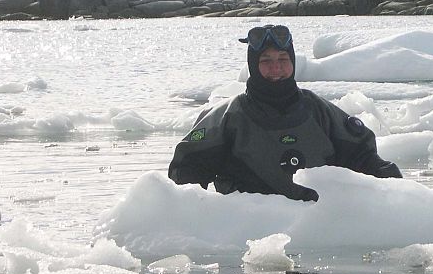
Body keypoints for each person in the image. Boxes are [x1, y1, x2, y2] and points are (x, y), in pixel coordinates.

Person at [168, 24, 402, 201]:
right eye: (266, 60)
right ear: (253, 65)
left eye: (283, 58)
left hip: (314, 224)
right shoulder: (227, 117)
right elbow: (186, 170)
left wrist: (396, 189)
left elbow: (362, 156)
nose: (276, 67)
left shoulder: (318, 110)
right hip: (251, 232)